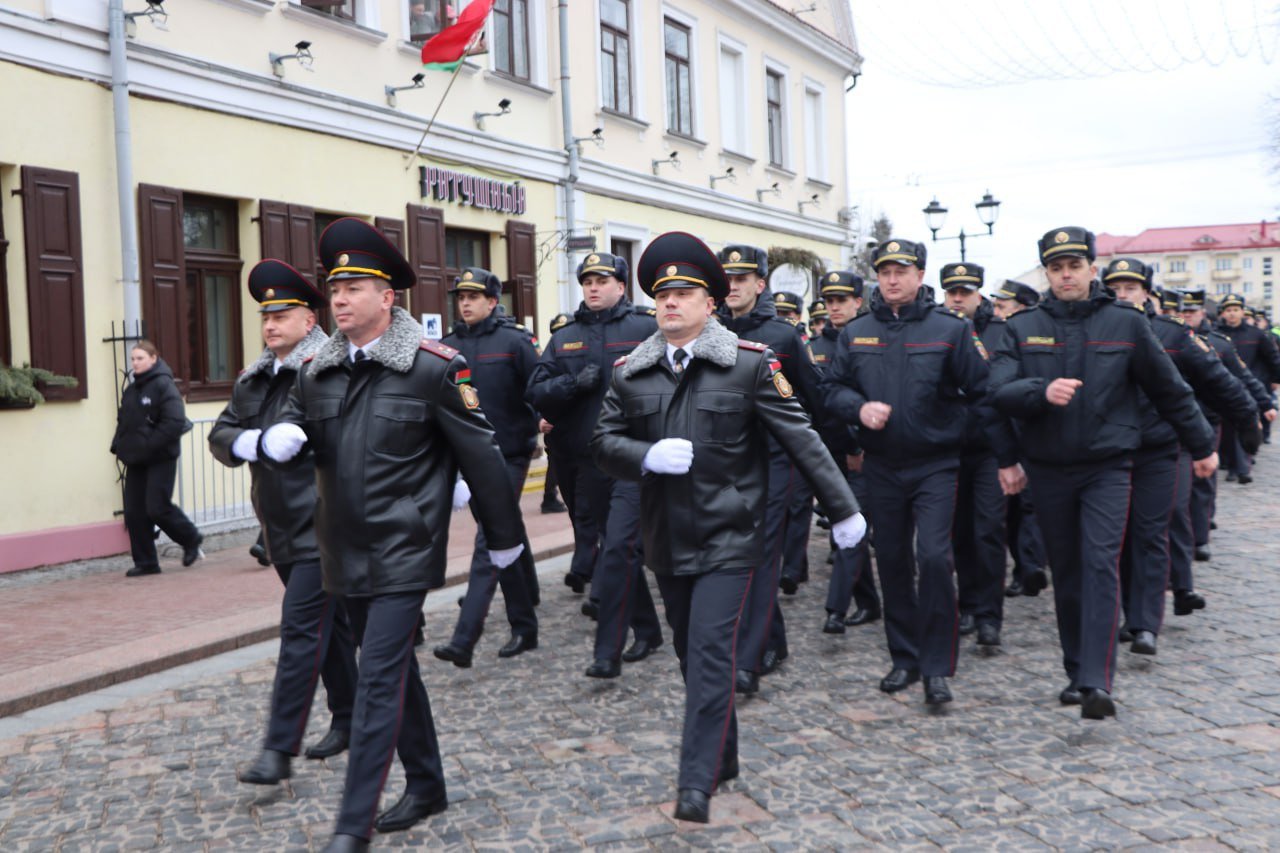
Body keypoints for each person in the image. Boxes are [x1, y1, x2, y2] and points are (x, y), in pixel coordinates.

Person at [259, 218, 527, 853]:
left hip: (405, 547)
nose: (341, 297)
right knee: (393, 668)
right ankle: (427, 782)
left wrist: (505, 537)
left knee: (377, 674)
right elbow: (293, 431)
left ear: (389, 297)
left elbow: (482, 456)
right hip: (339, 547)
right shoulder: (316, 373)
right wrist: (277, 439)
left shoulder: (434, 368)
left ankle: (352, 824)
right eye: (335, 286)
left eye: (355, 285)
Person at [591, 230, 864, 824]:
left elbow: (802, 437)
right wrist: (641, 455)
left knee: (712, 655)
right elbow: (602, 443)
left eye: (684, 293)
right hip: (665, 538)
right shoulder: (630, 373)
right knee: (693, 658)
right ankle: (726, 757)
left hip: (733, 535)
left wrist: (843, 509)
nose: (670, 303)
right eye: (662, 294)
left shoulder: (749, 365)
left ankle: (696, 783)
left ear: (710, 304)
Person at [989, 226, 1216, 720]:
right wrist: (1039, 392)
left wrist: (1202, 445)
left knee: (1098, 562)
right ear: (1047, 273)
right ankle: (1077, 669)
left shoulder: (1126, 323)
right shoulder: (1021, 327)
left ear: (1093, 269)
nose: (1066, 275)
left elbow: (1170, 390)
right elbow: (998, 392)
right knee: (1067, 571)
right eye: (1056, 267)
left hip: (1109, 467)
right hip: (1049, 469)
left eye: (1074, 265)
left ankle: (1097, 679)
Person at [824, 238, 1011, 707]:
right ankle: (904, 658)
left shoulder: (948, 330)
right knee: (892, 562)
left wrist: (990, 447)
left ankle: (936, 666)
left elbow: (981, 391)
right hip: (882, 464)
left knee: (932, 559)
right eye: (884, 271)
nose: (892, 279)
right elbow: (832, 389)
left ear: (920, 275)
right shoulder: (857, 331)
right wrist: (859, 408)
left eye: (901, 270)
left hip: (936, 465)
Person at [208, 259, 358, 785]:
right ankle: (349, 716)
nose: (270, 325)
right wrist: (246, 441)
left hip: (326, 524)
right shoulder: (255, 378)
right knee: (332, 629)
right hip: (279, 528)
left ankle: (278, 747)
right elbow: (220, 433)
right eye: (264, 316)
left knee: (300, 630)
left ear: (308, 318)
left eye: (282, 314)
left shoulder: (331, 369)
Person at [1102, 259, 1260, 656]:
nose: (1122, 295)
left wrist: (1248, 420)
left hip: (1162, 448)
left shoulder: (1172, 335)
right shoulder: (1096, 331)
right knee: (1118, 538)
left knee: (1152, 531)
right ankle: (1127, 612)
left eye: (1130, 288)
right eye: (1115, 288)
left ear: (1147, 293)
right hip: (1109, 452)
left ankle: (1144, 624)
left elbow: (1217, 379)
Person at [527, 253, 664, 677]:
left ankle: (606, 652)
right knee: (614, 546)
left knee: (620, 545)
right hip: (585, 460)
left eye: (603, 279)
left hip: (633, 458)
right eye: (587, 280)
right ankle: (648, 629)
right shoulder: (565, 335)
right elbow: (536, 390)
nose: (593, 286)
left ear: (622, 287)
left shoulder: (645, 328)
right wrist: (572, 384)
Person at [715, 244, 824, 694]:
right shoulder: (709, 331)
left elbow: (814, 400)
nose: (733, 286)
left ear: (760, 285)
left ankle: (748, 660)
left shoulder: (783, 336)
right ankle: (772, 640)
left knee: (757, 559)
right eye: (727, 279)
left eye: (742, 279)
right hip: (724, 463)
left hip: (774, 462)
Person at [433, 267, 541, 667]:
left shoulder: (514, 342)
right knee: (505, 537)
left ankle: (465, 637)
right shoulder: (445, 347)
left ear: (493, 302)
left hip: (508, 456)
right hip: (464, 460)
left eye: (473, 297)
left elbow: (540, 386)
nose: (464, 304)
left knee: (489, 542)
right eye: (460, 297)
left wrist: (541, 421)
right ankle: (525, 624)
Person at [940, 263, 1021, 648]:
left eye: (965, 292)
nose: (957, 299)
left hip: (991, 447)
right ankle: (968, 604)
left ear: (978, 294)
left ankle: (990, 614)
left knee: (988, 530)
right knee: (959, 533)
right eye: (951, 292)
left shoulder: (1001, 332)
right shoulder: (938, 329)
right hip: (949, 447)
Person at [1177, 288, 1274, 565]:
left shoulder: (1218, 344)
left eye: (1191, 312)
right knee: (1179, 487)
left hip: (1208, 418)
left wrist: (1265, 403)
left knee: (1202, 481)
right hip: (1175, 423)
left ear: (1202, 313)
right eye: (1182, 312)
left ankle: (1201, 537)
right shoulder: (1166, 339)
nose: (1187, 317)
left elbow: (1240, 376)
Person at [810, 271, 881, 633]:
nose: (834, 307)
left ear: (858, 301)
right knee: (849, 524)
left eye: (842, 300)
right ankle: (868, 602)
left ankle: (836, 609)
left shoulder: (871, 338)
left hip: (865, 451)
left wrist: (857, 443)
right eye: (829, 301)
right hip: (829, 451)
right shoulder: (816, 345)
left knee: (851, 526)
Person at [110, 340, 203, 577]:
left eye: (140, 358)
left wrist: (149, 446)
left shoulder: (164, 385)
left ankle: (190, 538)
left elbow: (173, 422)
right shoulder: (132, 390)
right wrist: (118, 446)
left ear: (153, 358)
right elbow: (125, 421)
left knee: (157, 507)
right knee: (134, 512)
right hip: (136, 459)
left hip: (161, 457)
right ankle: (146, 562)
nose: (135, 363)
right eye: (133, 359)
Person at [989, 280, 1050, 599]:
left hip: (1033, 429)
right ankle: (1025, 564)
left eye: (1003, 306)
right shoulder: (995, 334)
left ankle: (1029, 566)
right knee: (1010, 510)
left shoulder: (1035, 334)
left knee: (1030, 505)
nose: (997, 311)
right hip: (1002, 432)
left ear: (1023, 307)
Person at [1216, 294, 1280, 483]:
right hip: (1224, 387)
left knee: (1245, 426)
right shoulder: (1218, 334)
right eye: (1228, 310)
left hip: (1250, 387)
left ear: (1242, 312)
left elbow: (1272, 358)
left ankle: (1243, 468)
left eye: (1236, 310)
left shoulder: (1256, 334)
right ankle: (1231, 464)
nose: (1232, 314)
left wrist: (1276, 379)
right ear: (1223, 313)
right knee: (1227, 429)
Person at [539, 313, 572, 514]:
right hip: (555, 427)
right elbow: (535, 390)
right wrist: (539, 419)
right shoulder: (548, 360)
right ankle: (549, 497)